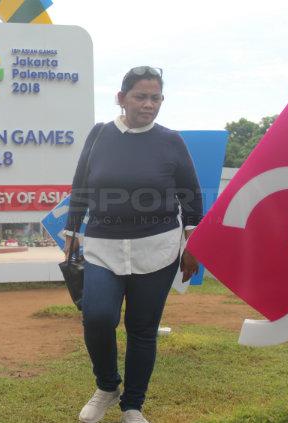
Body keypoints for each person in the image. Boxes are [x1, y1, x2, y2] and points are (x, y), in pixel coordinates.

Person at [64, 66, 202, 423]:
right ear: (121, 98)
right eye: (141, 96)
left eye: (155, 98)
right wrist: (71, 232)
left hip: (157, 249)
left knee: (142, 328)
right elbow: (81, 184)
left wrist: (193, 244)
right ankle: (107, 386)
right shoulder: (99, 135)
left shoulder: (172, 141)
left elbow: (191, 196)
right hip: (102, 246)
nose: (149, 104)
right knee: (97, 316)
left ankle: (133, 405)